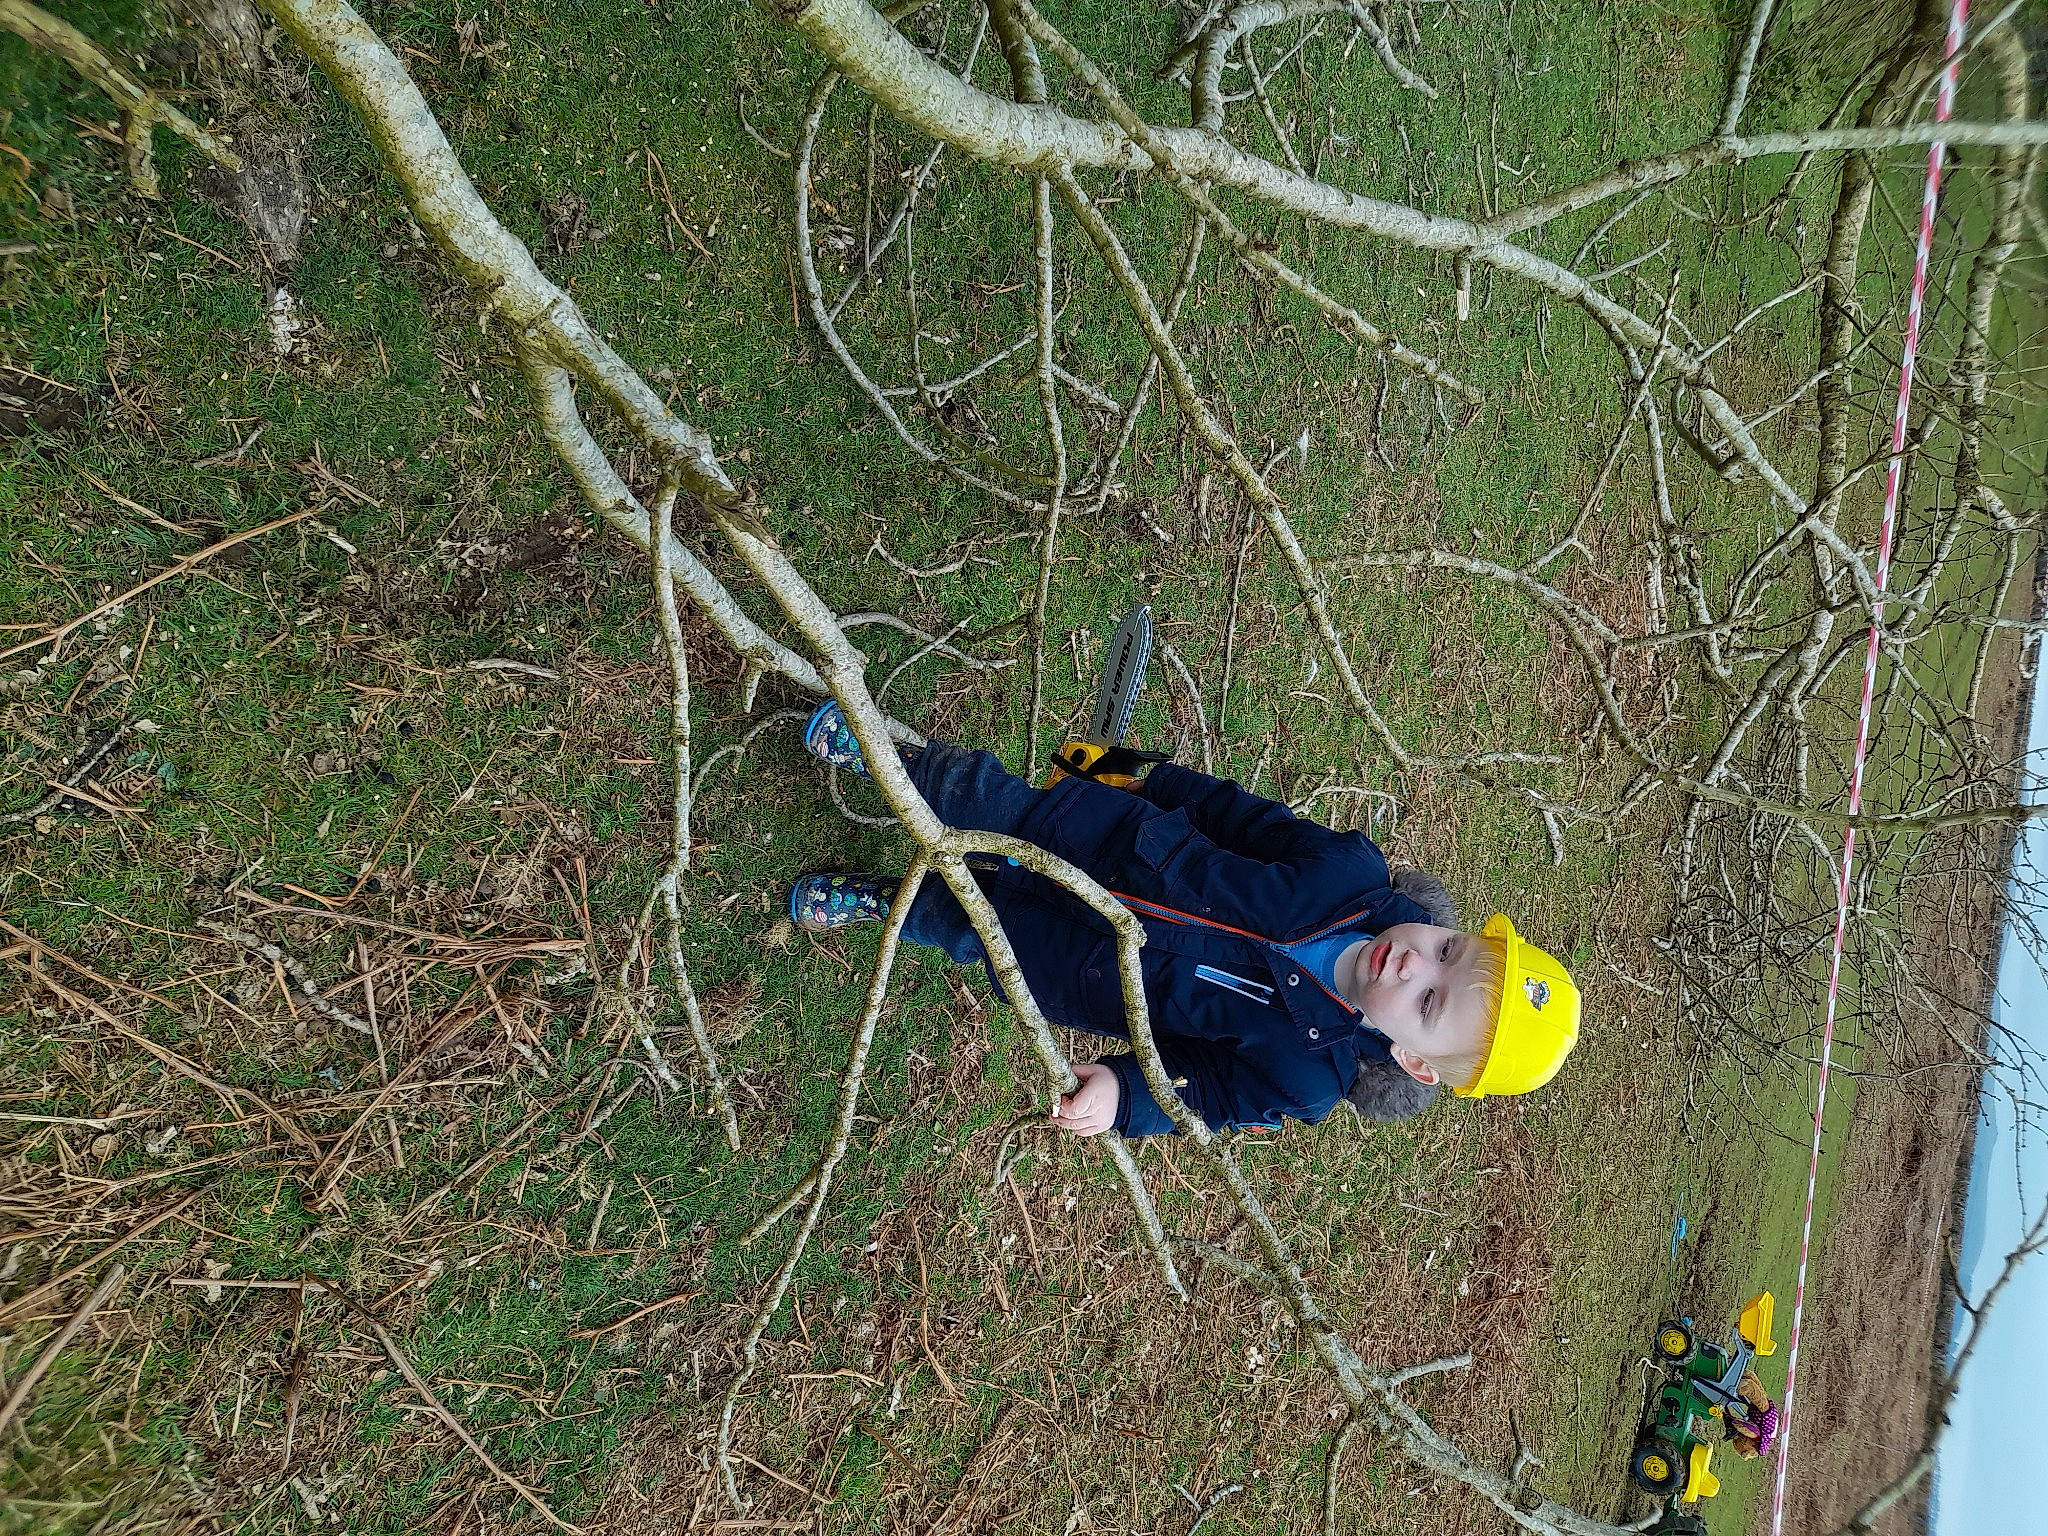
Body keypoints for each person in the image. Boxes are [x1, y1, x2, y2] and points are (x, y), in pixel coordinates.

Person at [786, 703, 1581, 1137]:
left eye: (1431, 1002)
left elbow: (1198, 1089)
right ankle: (884, 754)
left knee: (968, 926)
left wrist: (1123, 1095)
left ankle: (883, 901)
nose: (1414, 964)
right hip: (1109, 840)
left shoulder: (1303, 1078)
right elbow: (1229, 812)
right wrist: (1125, 774)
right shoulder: (1352, 874)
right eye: (1446, 948)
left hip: (1080, 967)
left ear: (1414, 1064)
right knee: (984, 797)